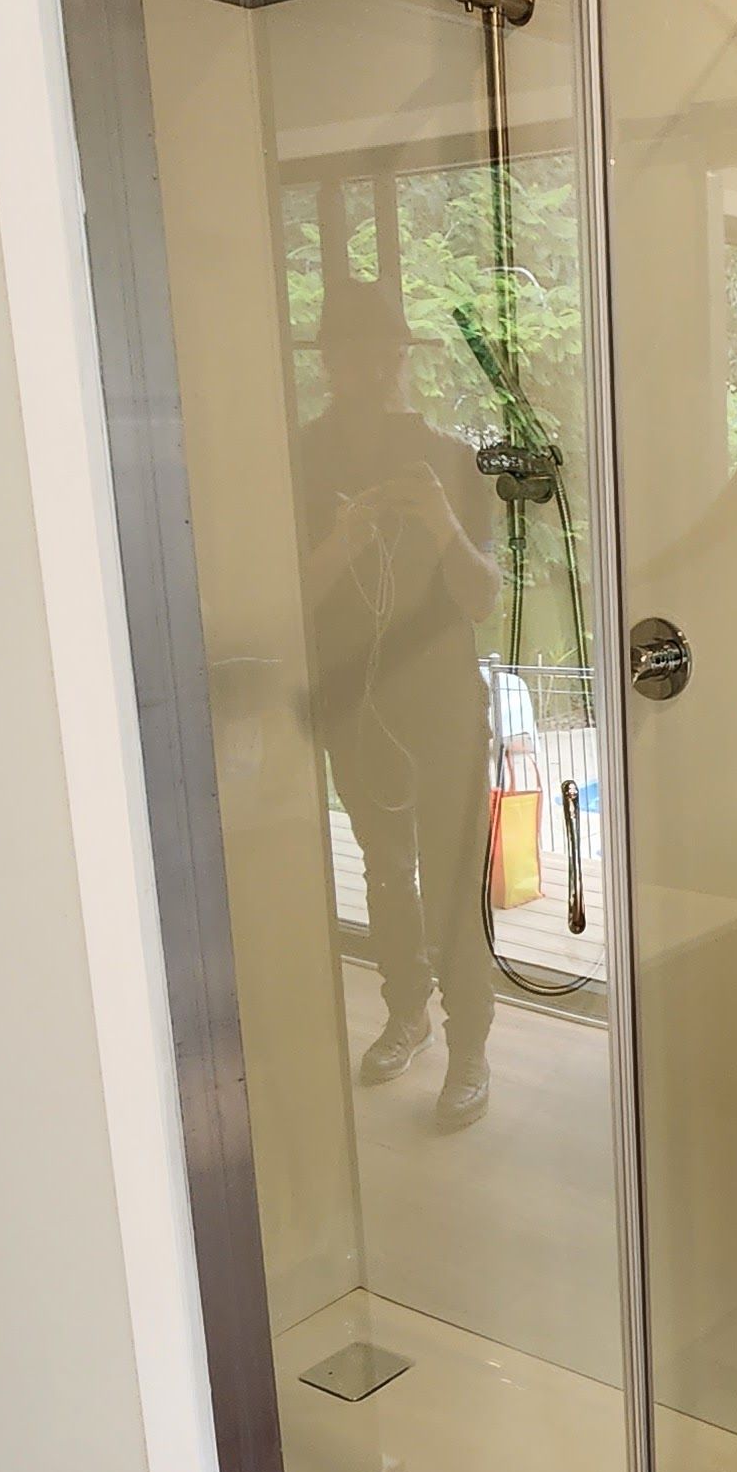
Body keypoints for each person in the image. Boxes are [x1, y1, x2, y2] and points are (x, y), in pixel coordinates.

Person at [298, 275, 503, 1130]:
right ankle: (406, 1014)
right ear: (329, 361)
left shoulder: (450, 458)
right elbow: (285, 601)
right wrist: (342, 541)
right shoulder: (299, 460)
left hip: (444, 701)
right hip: (352, 701)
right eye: (353, 351)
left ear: (402, 357)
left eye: (385, 350)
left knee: (456, 876)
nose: (372, 367)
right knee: (386, 870)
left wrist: (442, 522)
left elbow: (484, 597)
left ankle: (470, 1045)